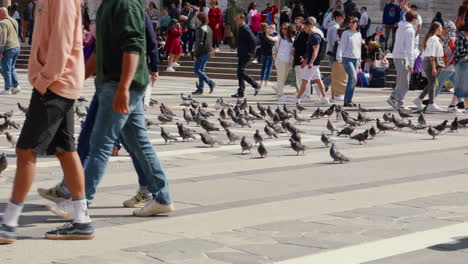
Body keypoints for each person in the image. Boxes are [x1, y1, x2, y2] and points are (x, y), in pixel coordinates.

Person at [63, 0, 173, 217]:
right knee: (138, 143)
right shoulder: (107, 6)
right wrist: (78, 78)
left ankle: (81, 203)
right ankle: (162, 197)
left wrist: (123, 87)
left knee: (100, 144)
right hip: (113, 83)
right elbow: (99, 52)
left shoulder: (125, 4)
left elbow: (133, 46)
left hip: (120, 84)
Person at [0, 0, 94, 244]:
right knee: (65, 150)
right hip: (60, 82)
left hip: (56, 84)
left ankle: (9, 224)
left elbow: (62, 41)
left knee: (25, 150)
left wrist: (44, 80)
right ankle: (82, 221)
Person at [387, 10, 417, 109]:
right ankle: (396, 99)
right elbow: (409, 47)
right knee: (404, 82)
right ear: (413, 19)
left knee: (401, 80)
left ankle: (396, 99)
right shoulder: (410, 30)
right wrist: (411, 63)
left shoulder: (401, 27)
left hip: (397, 55)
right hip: (403, 57)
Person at [413, 22, 445, 112]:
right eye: (441, 28)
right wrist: (434, 67)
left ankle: (419, 99)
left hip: (431, 61)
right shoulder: (433, 39)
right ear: (437, 28)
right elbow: (432, 54)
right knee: (432, 83)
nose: (442, 30)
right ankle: (431, 104)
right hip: (430, 62)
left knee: (432, 82)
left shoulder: (434, 38)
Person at [296, 16, 329, 104]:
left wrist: (310, 62)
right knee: (318, 80)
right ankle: (325, 98)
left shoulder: (315, 35)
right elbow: (310, 50)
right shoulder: (312, 35)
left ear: (310, 26)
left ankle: (297, 99)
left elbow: (316, 50)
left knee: (304, 81)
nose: (304, 29)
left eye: (305, 27)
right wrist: (306, 60)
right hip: (312, 62)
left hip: (313, 62)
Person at [232, 13, 260, 98]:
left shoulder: (245, 28)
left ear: (242, 19)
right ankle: (241, 91)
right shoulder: (242, 28)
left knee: (241, 72)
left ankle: (255, 85)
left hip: (245, 53)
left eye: (237, 19)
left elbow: (254, 40)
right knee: (239, 72)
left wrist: (251, 51)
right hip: (242, 53)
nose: (236, 21)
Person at [438, 21, 463, 112]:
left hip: (449, 65)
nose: (443, 30)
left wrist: (445, 63)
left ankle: (430, 102)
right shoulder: (450, 38)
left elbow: (449, 53)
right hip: (452, 65)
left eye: (444, 28)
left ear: (448, 29)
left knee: (438, 84)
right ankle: (459, 102)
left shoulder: (450, 39)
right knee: (456, 84)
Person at [337, 16, 362, 107]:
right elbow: (341, 46)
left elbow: (359, 48)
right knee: (353, 78)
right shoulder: (346, 33)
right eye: (350, 22)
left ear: (357, 23)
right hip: (347, 58)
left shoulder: (359, 34)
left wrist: (359, 60)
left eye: (354, 22)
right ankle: (347, 100)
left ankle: (349, 100)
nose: (351, 24)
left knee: (353, 80)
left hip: (356, 59)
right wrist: (339, 57)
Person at [192, 12, 216, 95]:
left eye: (197, 18)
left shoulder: (200, 28)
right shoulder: (209, 28)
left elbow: (199, 42)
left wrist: (195, 54)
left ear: (200, 19)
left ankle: (210, 82)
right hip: (208, 51)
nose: (196, 19)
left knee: (197, 70)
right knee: (201, 70)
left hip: (201, 52)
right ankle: (200, 89)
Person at [323, 10, 345, 95]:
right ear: (337, 17)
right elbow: (335, 42)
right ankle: (324, 83)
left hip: (332, 52)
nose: (343, 19)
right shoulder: (335, 27)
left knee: (336, 72)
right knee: (337, 73)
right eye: (342, 17)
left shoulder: (333, 26)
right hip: (333, 53)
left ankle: (326, 84)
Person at [0, 8, 21, 95]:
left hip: (8, 48)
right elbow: (16, 33)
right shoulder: (14, 20)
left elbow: (2, 38)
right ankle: (16, 86)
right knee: (12, 67)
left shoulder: (2, 23)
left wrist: (0, 50)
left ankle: (7, 88)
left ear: (1, 13)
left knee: (6, 69)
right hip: (16, 46)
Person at [452, 5, 468, 113]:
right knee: (464, 88)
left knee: (462, 87)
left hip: (463, 62)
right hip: (462, 62)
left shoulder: (462, 35)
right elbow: (460, 51)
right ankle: (467, 108)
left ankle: (453, 105)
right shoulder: (461, 36)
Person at [274, 22, 295, 100]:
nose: (283, 30)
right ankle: (280, 94)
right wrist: (267, 35)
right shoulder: (280, 37)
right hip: (280, 59)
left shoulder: (291, 38)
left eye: (285, 28)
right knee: (281, 77)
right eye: (282, 28)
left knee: (284, 77)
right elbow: (274, 39)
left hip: (288, 60)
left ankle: (280, 91)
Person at [292, 16, 311, 99]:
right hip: (296, 58)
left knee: (304, 77)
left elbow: (308, 46)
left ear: (302, 23)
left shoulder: (305, 33)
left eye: (297, 23)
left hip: (302, 58)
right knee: (299, 77)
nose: (295, 24)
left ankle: (306, 94)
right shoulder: (298, 33)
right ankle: (302, 93)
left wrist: (305, 57)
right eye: (295, 23)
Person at [258, 22, 277, 88]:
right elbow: (275, 40)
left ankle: (261, 80)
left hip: (263, 52)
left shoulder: (260, 34)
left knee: (263, 66)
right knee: (269, 67)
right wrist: (273, 29)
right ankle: (266, 81)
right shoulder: (270, 34)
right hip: (270, 52)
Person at [330, 28, 348, 100]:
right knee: (343, 79)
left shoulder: (337, 42)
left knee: (335, 79)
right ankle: (341, 95)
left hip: (337, 62)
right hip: (343, 62)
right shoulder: (343, 42)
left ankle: (333, 96)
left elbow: (334, 53)